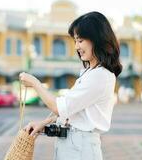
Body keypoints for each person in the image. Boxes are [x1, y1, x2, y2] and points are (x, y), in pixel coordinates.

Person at [19, 11, 122, 160]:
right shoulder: (89, 73)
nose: (76, 47)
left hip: (80, 147)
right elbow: (71, 110)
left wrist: (35, 83)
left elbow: (60, 107)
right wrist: (43, 124)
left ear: (96, 39)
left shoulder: (100, 75)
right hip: (73, 144)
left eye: (80, 41)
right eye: (75, 41)